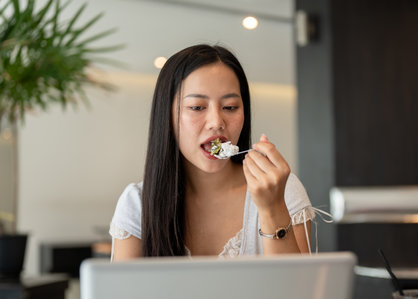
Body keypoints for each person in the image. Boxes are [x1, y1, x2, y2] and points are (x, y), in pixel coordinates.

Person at [109, 44, 316, 260]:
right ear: (167, 117)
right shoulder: (137, 204)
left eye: (230, 107)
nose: (217, 122)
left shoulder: (281, 190)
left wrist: (272, 209)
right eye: (197, 107)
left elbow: (300, 290)